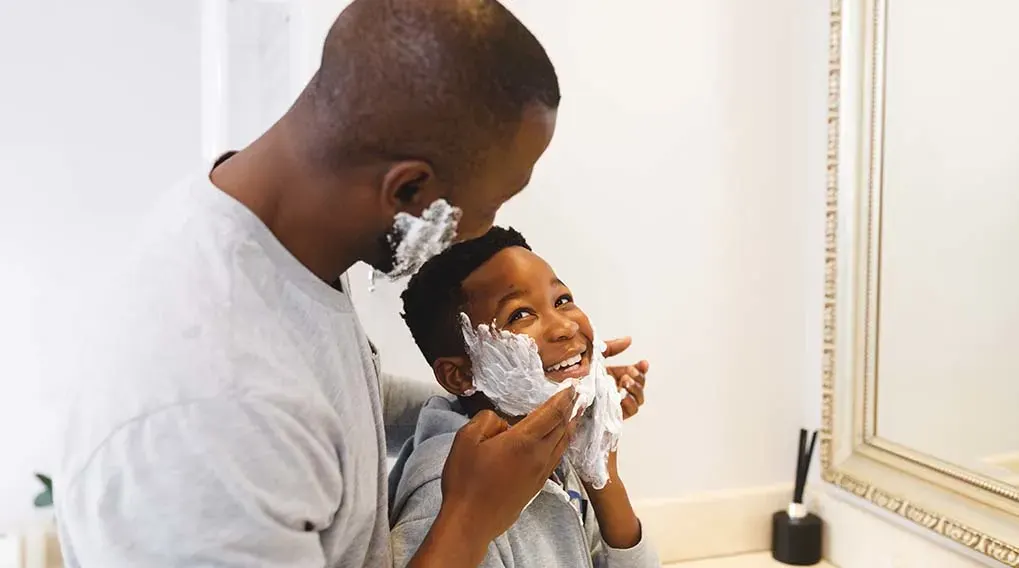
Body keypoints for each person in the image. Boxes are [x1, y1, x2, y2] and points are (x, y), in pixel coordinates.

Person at [54, 1, 647, 567]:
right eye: (488, 205)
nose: (484, 230)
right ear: (408, 189)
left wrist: (529, 400)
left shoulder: (288, 249)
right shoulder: (208, 424)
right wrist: (469, 518)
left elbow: (343, 403)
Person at [391, 226, 657, 567]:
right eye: (520, 314)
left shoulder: (552, 444)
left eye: (562, 300)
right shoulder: (442, 502)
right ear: (461, 375)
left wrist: (602, 474)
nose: (566, 327)